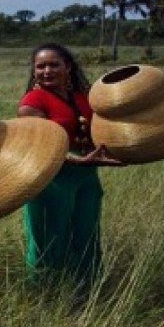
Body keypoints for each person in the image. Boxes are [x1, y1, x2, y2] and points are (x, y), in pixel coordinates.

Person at [17, 43, 120, 291]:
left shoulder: (82, 98)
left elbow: (97, 134)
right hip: (49, 180)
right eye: (40, 66)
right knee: (49, 239)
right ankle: (47, 295)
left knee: (86, 236)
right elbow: (39, 147)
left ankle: (85, 292)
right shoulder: (32, 101)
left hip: (86, 178)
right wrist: (77, 159)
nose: (47, 70)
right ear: (34, 71)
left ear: (68, 67)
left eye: (54, 64)